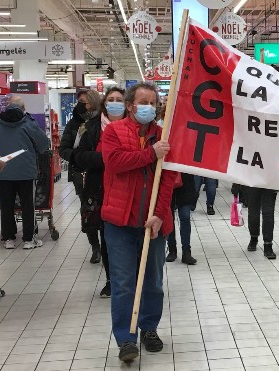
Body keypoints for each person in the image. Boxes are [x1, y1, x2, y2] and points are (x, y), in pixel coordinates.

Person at [101, 83, 177, 362]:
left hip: (153, 223)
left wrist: (160, 214)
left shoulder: (164, 135)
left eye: (152, 102)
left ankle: (149, 328)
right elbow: (115, 163)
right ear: (130, 105)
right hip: (119, 222)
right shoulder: (113, 131)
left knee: (153, 282)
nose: (147, 107)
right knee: (123, 283)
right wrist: (150, 154)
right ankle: (125, 339)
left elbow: (168, 179)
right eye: (142, 102)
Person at [72, 87, 126, 297]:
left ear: (127, 104)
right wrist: (104, 158)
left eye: (119, 99)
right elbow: (77, 155)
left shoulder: (134, 126)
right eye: (111, 99)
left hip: (127, 188)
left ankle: (130, 277)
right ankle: (111, 279)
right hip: (100, 189)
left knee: (128, 236)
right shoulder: (90, 127)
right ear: (104, 104)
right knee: (107, 237)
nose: (115, 103)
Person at [0, 96, 50, 249]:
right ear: (23, 108)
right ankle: (28, 239)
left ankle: (8, 239)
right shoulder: (29, 124)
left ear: (7, 107)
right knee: (28, 205)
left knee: (6, 206)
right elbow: (43, 145)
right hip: (26, 172)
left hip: (3, 171)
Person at [60, 90, 104, 263]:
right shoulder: (74, 124)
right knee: (88, 211)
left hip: (101, 171)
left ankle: (106, 245)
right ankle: (95, 247)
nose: (81, 105)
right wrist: (78, 156)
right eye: (79, 102)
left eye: (84, 102)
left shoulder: (104, 121)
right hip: (81, 173)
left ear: (93, 102)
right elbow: (63, 149)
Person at [233, 184, 277, 259]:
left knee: (268, 213)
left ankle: (267, 244)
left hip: (269, 182)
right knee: (254, 213)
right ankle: (254, 237)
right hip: (253, 182)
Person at [166, 173, 198, 265]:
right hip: (168, 183)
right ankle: (172, 249)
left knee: (185, 217)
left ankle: (186, 251)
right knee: (169, 218)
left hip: (186, 184)